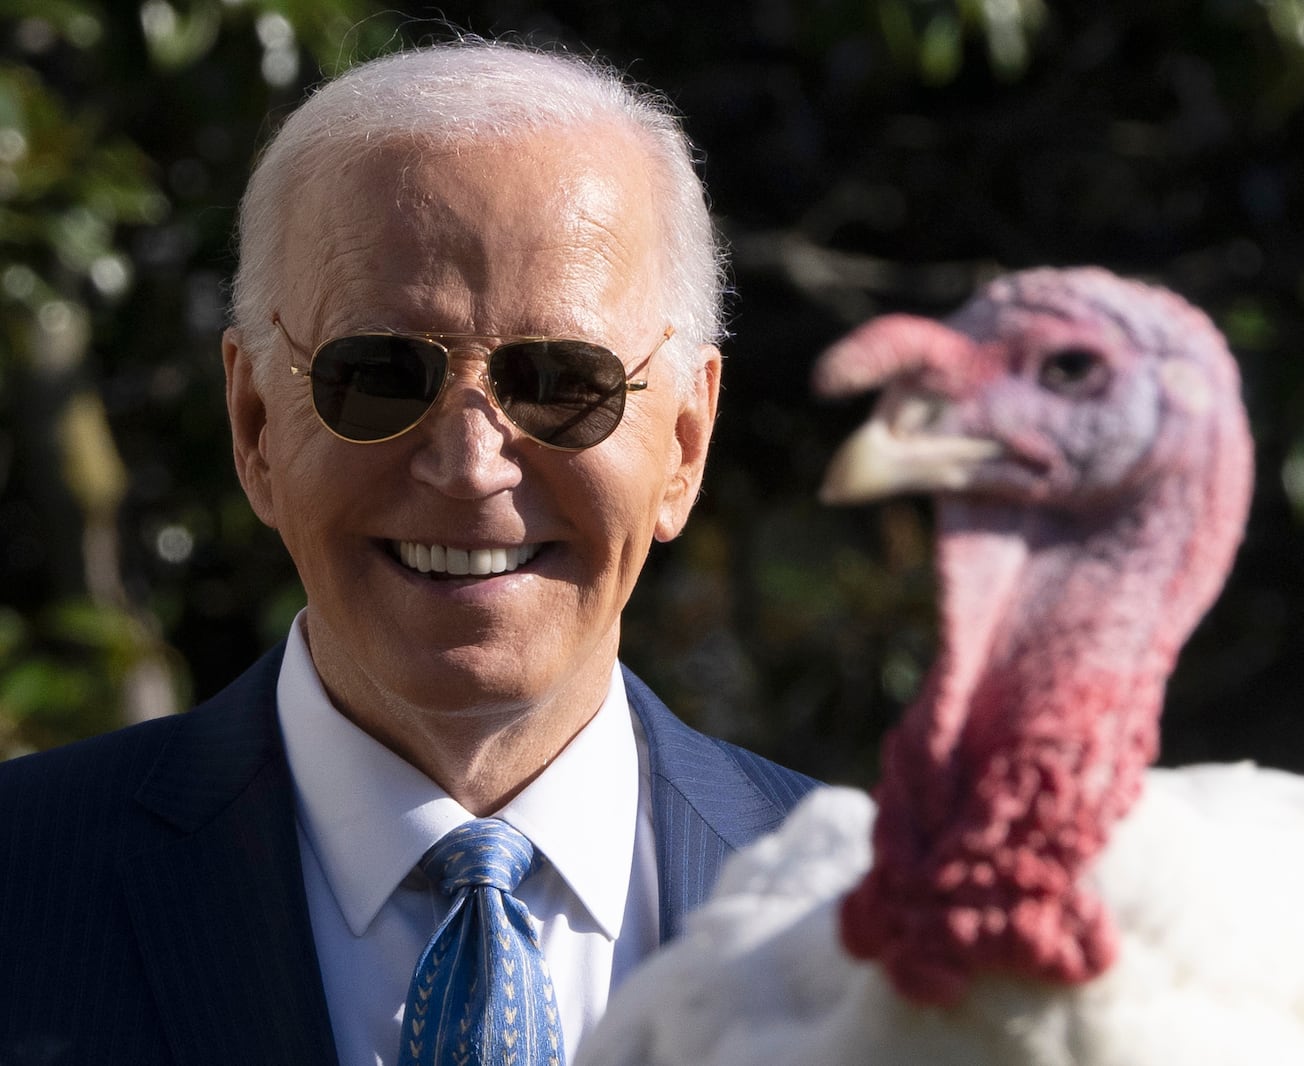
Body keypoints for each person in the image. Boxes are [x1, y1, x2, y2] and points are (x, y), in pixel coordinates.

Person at [0, 41, 816, 1065]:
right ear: (254, 423)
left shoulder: (894, 922)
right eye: (379, 374)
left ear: (684, 444)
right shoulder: (23, 885)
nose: (470, 467)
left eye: (562, 380)